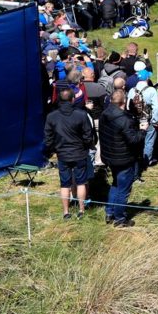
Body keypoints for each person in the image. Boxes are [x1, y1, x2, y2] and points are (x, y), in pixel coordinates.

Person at [44, 88, 96, 220]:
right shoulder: (81, 115)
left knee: (65, 184)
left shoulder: (52, 116)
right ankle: (81, 210)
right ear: (73, 99)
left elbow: (48, 138)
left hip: (62, 154)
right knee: (81, 182)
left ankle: (66, 212)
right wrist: (85, 146)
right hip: (79, 153)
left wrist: (54, 149)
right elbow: (88, 135)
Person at [98, 89, 145, 227]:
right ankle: (119, 219)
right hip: (123, 159)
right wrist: (142, 130)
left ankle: (110, 211)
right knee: (123, 189)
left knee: (116, 184)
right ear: (123, 101)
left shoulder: (105, 113)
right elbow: (134, 140)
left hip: (110, 156)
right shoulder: (123, 120)